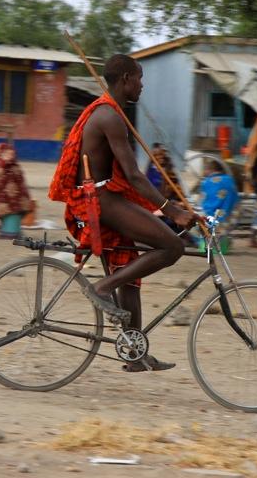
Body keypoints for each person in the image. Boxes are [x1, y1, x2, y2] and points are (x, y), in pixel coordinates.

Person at [49, 54, 199, 372]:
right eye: (140, 78)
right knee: (172, 246)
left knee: (130, 270)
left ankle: (135, 353)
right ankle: (101, 288)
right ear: (126, 79)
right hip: (99, 200)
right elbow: (133, 175)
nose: (142, 85)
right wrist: (171, 210)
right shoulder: (108, 116)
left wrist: (168, 209)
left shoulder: (113, 114)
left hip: (106, 197)